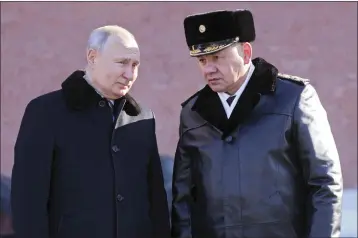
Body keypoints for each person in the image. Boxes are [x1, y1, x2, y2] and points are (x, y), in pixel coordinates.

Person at [171, 9, 343, 238]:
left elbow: (325, 183)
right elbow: (183, 201)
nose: (208, 69)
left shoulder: (293, 99)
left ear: (245, 52)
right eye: (202, 60)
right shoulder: (192, 114)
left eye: (217, 57)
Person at [11, 25, 170, 238]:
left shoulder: (142, 117)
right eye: (122, 62)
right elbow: (27, 201)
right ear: (93, 57)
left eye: (135, 65)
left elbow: (156, 200)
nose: (130, 74)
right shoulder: (45, 112)